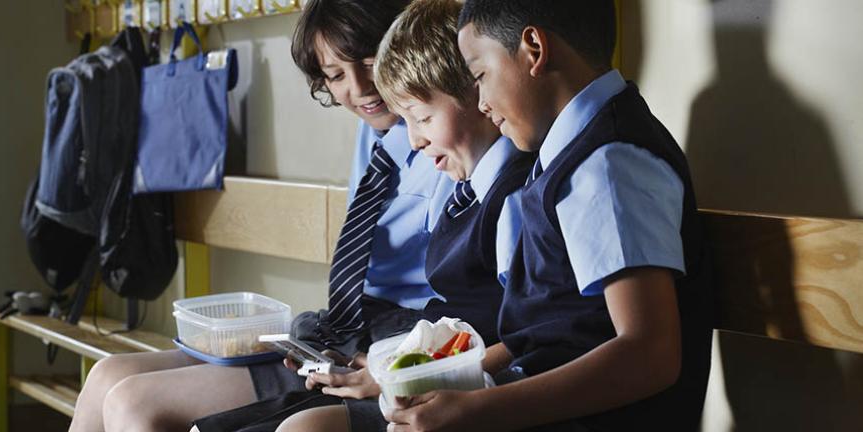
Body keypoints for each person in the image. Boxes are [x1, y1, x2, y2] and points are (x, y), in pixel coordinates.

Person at [68, 1, 453, 431]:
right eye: (336, 75)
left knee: (132, 403)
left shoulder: (445, 141)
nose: (360, 88)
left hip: (392, 338)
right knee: (106, 376)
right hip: (338, 331)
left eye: (370, 62)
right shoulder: (373, 134)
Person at [191, 1, 533, 430]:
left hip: (434, 366)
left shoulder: (508, 194)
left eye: (422, 118)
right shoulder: (450, 177)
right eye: (335, 75)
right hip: (395, 350)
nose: (415, 140)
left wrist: (398, 370)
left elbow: (528, 334)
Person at [384, 1, 714, 430]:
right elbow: (546, 335)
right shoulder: (565, 157)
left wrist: (477, 409)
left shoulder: (609, 163)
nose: (481, 103)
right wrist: (458, 386)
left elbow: (650, 354)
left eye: (480, 76)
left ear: (534, 49)